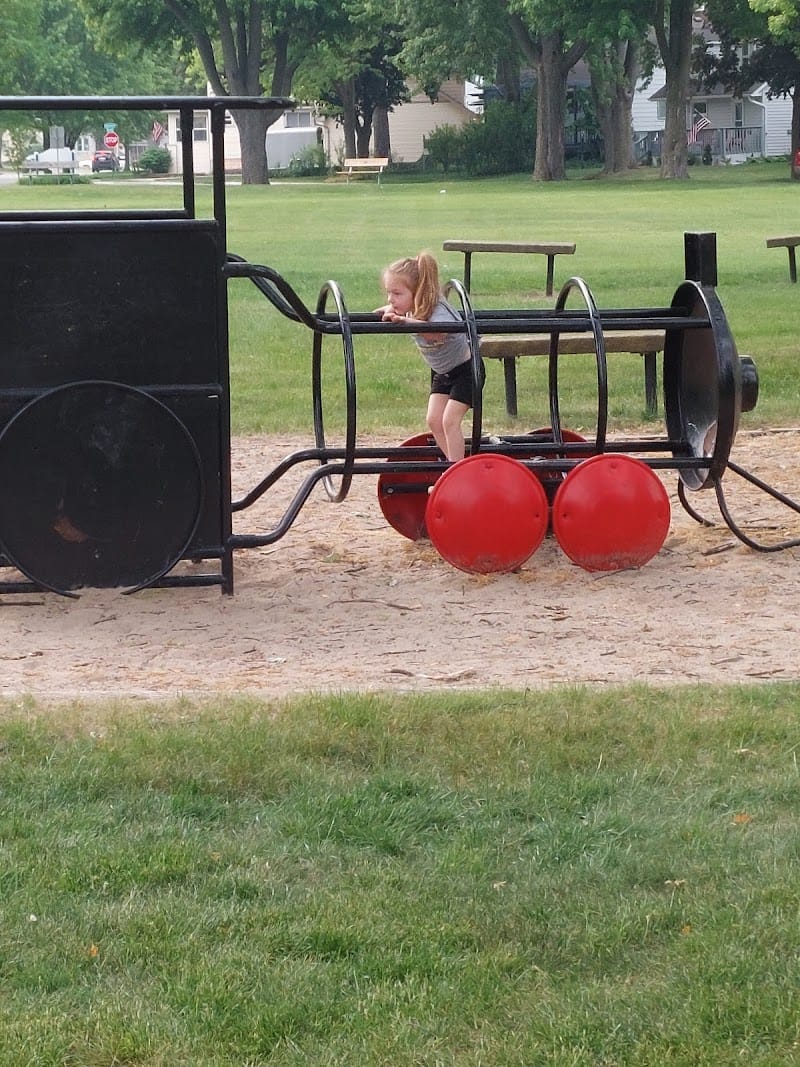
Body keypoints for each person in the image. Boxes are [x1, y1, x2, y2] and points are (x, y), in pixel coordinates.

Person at [377, 251, 484, 462]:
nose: (391, 299)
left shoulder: (436, 308)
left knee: (449, 421)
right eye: (389, 293)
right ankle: (457, 465)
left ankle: (456, 471)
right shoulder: (408, 308)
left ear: (416, 292)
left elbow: (437, 331)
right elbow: (385, 309)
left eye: (397, 294)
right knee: (434, 420)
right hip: (443, 372)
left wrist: (404, 322)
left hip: (467, 370)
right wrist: (386, 313)